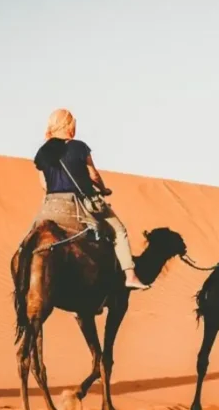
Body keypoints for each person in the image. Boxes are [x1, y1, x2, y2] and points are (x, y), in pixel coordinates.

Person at [32, 108, 147, 290]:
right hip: (79, 204)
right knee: (119, 230)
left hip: (52, 205)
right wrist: (103, 189)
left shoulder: (42, 153)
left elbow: (44, 184)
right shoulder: (79, 147)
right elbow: (93, 175)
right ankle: (130, 275)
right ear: (68, 125)